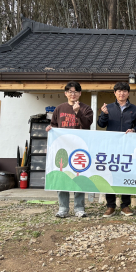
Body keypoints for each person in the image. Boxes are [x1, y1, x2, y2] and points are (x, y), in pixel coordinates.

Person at [46, 81, 93, 218]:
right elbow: (54, 125)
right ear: (65, 93)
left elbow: (87, 125)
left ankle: (79, 208)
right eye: (70, 92)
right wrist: (50, 129)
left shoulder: (86, 109)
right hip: (62, 148)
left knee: (79, 176)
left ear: (80, 93)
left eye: (75, 91)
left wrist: (78, 113)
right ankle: (63, 208)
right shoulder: (59, 108)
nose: (73, 94)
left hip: (79, 148)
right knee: (62, 176)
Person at [97, 82, 136, 217]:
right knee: (109, 175)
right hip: (111, 147)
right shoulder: (108, 107)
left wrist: (134, 129)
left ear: (128, 93)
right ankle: (110, 206)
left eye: (124, 91)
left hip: (127, 147)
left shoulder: (134, 109)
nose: (121, 93)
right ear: (115, 93)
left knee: (126, 174)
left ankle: (125, 205)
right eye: (119, 91)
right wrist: (104, 114)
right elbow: (101, 124)